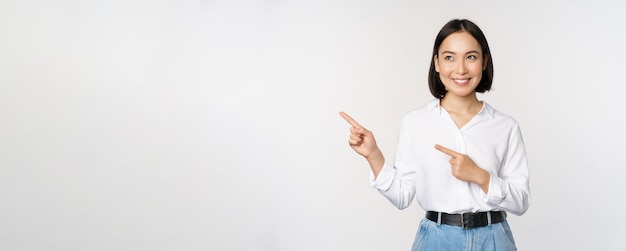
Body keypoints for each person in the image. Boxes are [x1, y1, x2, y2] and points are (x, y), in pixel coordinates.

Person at [339, 19, 530, 251]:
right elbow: (401, 196)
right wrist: (373, 155)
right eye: (449, 57)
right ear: (437, 63)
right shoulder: (415, 123)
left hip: (494, 240)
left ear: (484, 62)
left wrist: (481, 176)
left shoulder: (505, 126)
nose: (460, 69)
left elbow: (520, 202)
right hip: (437, 240)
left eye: (471, 57)